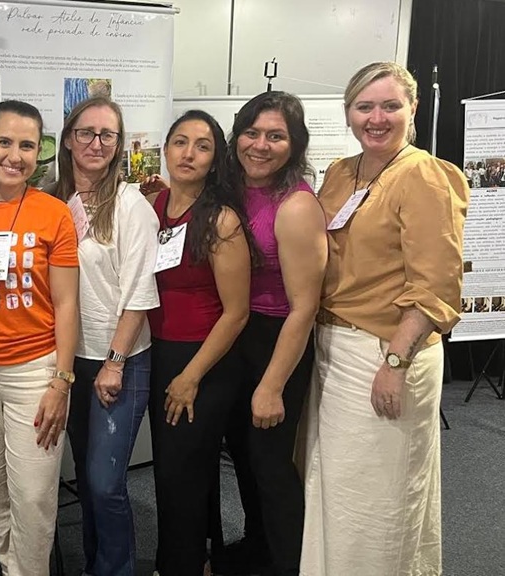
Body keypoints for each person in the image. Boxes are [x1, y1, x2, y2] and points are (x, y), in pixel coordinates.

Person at [300, 61, 469, 576]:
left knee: (380, 499)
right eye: (364, 107)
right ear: (348, 113)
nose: (376, 118)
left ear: (412, 109)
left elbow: (436, 285)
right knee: (336, 488)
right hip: (333, 347)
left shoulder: (424, 175)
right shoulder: (341, 172)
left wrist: (396, 362)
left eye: (390, 106)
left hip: (387, 351)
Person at [0, 100, 79, 575]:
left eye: (27, 145)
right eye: (4, 142)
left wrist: (61, 381)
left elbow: (67, 304)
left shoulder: (53, 214)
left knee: (33, 496)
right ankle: (13, 566)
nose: (15, 156)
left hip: (35, 371)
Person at [216, 92, 327, 576]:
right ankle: (257, 548)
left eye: (275, 136)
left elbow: (305, 307)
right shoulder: (232, 187)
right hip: (236, 333)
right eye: (252, 133)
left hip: (278, 338)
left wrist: (272, 385)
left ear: (294, 144)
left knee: (271, 463)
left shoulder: (297, 205)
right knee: (243, 456)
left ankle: (289, 564)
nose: (260, 145)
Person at [51, 97, 160, 576]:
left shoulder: (131, 206)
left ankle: (115, 570)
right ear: (68, 139)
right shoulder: (53, 202)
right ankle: (95, 563)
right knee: (86, 474)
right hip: (69, 360)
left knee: (104, 482)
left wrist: (114, 362)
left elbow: (139, 291)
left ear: (118, 145)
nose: (96, 143)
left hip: (120, 358)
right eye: (86, 133)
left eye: (107, 135)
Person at [146, 110, 252, 576]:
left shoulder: (221, 220)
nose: (189, 153)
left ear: (215, 159)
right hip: (158, 350)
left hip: (203, 359)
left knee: (179, 474)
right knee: (185, 469)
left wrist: (190, 376)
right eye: (180, 142)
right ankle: (199, 559)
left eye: (202, 146)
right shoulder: (153, 206)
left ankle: (178, 566)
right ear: (165, 149)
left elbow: (237, 312)